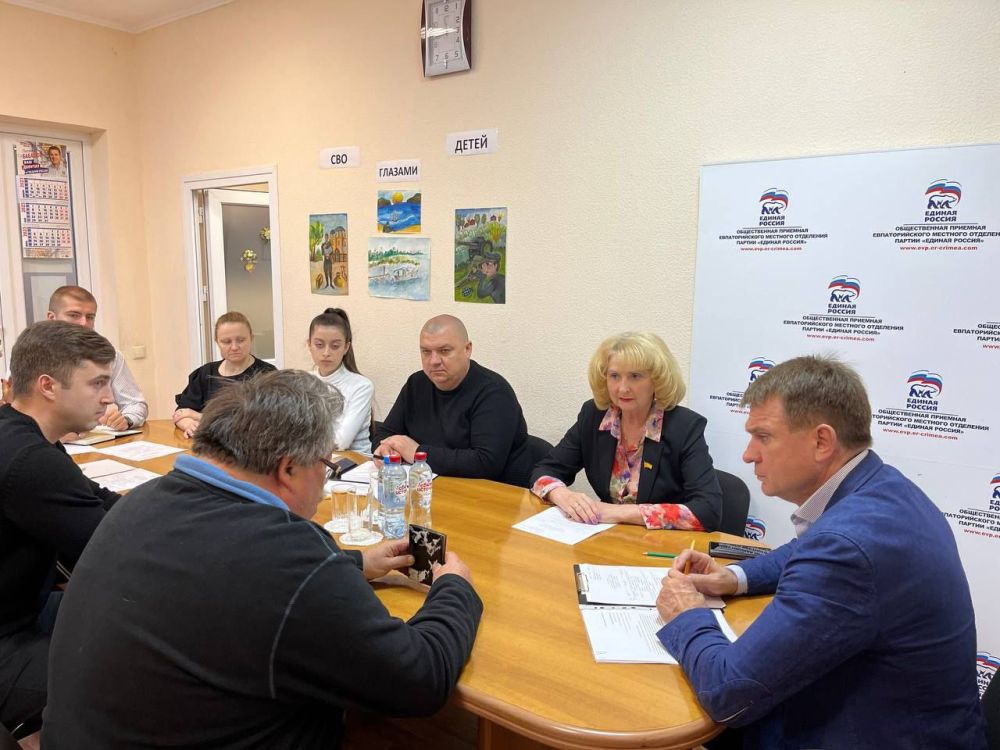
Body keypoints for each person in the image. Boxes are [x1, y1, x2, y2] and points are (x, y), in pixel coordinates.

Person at [42, 370, 482, 749]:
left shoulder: (142, 500)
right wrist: (454, 589)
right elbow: (419, 680)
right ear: (288, 469)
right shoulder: (290, 555)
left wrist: (355, 564)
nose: (325, 482)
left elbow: (228, 575)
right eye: (325, 464)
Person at [656, 355, 987, 749]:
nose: (748, 455)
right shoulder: (883, 487)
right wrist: (733, 577)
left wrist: (687, 613)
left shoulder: (846, 548)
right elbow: (806, 547)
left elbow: (728, 694)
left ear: (821, 442)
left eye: (763, 436)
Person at [0, 321, 121, 729]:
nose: (108, 397)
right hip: (8, 637)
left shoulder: (26, 435)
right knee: (142, 668)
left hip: (22, 609)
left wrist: (171, 505)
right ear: (48, 386)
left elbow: (98, 499)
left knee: (129, 618)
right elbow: (113, 549)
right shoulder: (28, 459)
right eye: (97, 383)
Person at [530, 332, 721, 530]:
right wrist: (563, 495)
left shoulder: (684, 427)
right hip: (607, 535)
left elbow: (708, 510)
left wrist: (618, 512)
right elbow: (544, 470)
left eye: (635, 376)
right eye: (614, 376)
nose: (622, 388)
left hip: (662, 542)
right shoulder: (594, 416)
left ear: (657, 380)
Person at [374, 314, 534, 486]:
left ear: (467, 349)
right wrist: (385, 449)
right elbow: (385, 433)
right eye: (426, 352)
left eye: (444, 351)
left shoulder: (494, 392)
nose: (434, 361)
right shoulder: (416, 383)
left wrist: (417, 453)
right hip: (430, 486)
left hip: (489, 491)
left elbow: (486, 463)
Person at [33, 285, 148, 429]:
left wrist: (126, 419)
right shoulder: (30, 356)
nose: (84, 323)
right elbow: (19, 410)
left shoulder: (110, 357)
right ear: (52, 318)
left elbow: (135, 404)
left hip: (98, 439)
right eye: (74, 315)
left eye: (90, 317)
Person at [173, 311, 276, 438]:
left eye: (241, 340)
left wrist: (198, 416)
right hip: (207, 445)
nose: (234, 347)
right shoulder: (205, 373)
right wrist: (189, 424)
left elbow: (259, 423)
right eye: (226, 342)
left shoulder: (267, 375)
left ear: (251, 338)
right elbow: (181, 413)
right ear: (217, 342)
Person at [307, 307, 374, 451]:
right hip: (311, 458)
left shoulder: (361, 386)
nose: (326, 353)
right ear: (309, 345)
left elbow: (340, 442)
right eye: (319, 345)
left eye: (335, 346)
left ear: (346, 347)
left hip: (353, 460)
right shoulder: (304, 382)